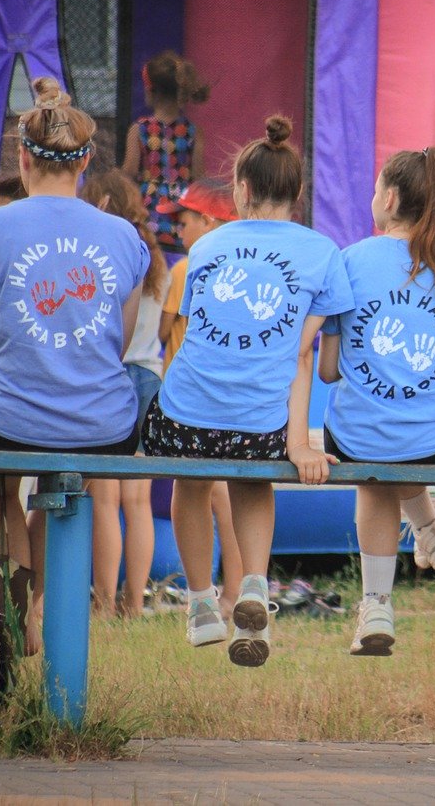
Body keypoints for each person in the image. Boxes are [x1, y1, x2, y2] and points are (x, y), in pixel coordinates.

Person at [143, 114, 352, 667]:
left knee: (193, 481)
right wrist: (296, 443)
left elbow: (198, 338)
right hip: (260, 423)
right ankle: (254, 584)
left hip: (185, 410)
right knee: (254, 481)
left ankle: (200, 604)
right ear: (298, 192)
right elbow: (301, 354)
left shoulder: (207, 249)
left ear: (240, 190)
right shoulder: (323, 253)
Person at [0, 78, 149, 652]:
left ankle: (7, 615)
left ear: (22, 156)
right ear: (86, 160)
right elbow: (117, 344)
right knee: (63, 485)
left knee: (4, 483)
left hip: (8, 418)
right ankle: (37, 607)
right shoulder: (123, 236)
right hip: (103, 424)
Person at [317, 148, 435, 655]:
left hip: (362, 437)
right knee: (400, 431)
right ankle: (429, 528)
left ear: (389, 198)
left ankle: (377, 603)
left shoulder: (350, 261)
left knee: (373, 464)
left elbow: (327, 371)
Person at [79, 169, 169, 617]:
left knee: (105, 498)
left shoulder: (104, 247)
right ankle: (134, 604)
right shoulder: (154, 253)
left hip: (110, 378)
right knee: (139, 502)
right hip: (150, 377)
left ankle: (104, 601)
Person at [155, 178, 242, 614]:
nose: (179, 231)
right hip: (232, 398)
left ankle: (213, 592)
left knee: (203, 492)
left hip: (190, 401)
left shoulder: (185, 268)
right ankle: (237, 587)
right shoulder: (243, 266)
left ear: (208, 222)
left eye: (184, 221)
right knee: (226, 493)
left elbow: (162, 328)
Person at [122, 50, 209, 249]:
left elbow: (129, 172)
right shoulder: (193, 132)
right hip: (181, 213)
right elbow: (198, 177)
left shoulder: (139, 130)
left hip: (148, 214)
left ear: (151, 91)